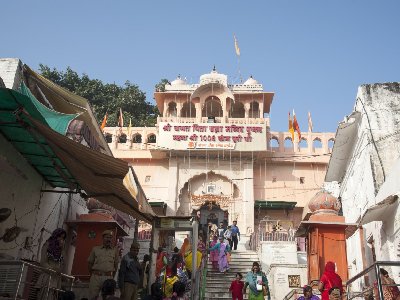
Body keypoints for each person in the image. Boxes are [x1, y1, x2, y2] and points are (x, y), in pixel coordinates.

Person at [35, 228, 67, 300]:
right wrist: (52, 269)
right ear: (55, 236)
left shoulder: (61, 250)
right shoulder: (47, 245)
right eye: (59, 236)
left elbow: (63, 263)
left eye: (63, 238)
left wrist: (62, 249)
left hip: (56, 279)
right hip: (47, 276)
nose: (60, 239)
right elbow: (43, 262)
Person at [88, 230, 120, 300]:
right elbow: (90, 263)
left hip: (108, 277)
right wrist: (93, 275)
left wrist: (111, 276)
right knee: (93, 297)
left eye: (110, 238)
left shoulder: (115, 251)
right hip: (96, 277)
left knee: (108, 298)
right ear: (103, 238)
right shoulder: (95, 249)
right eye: (107, 237)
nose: (109, 239)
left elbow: (116, 266)